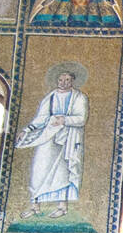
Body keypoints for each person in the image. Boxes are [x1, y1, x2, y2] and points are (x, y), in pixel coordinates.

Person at [16, 69, 87, 219]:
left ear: (72, 81)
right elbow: (41, 117)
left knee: (62, 172)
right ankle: (35, 206)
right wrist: (27, 130)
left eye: (67, 80)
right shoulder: (51, 97)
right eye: (61, 80)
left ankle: (62, 207)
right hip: (48, 137)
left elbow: (81, 118)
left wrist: (65, 120)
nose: (63, 83)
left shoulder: (79, 97)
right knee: (38, 170)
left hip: (67, 139)